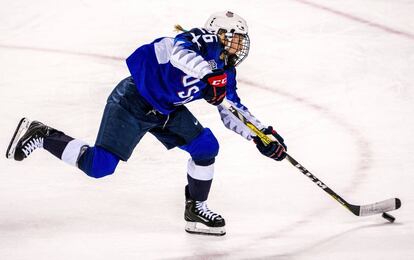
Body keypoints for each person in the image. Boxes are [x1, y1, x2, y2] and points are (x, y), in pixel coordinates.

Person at [6, 11, 287, 236]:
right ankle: (43, 135)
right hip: (134, 100)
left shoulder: (226, 70)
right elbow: (177, 51)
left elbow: (233, 110)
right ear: (220, 33)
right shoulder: (202, 40)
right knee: (99, 166)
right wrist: (206, 74)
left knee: (206, 147)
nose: (240, 45)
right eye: (236, 37)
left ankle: (196, 208)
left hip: (167, 110)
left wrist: (261, 135)